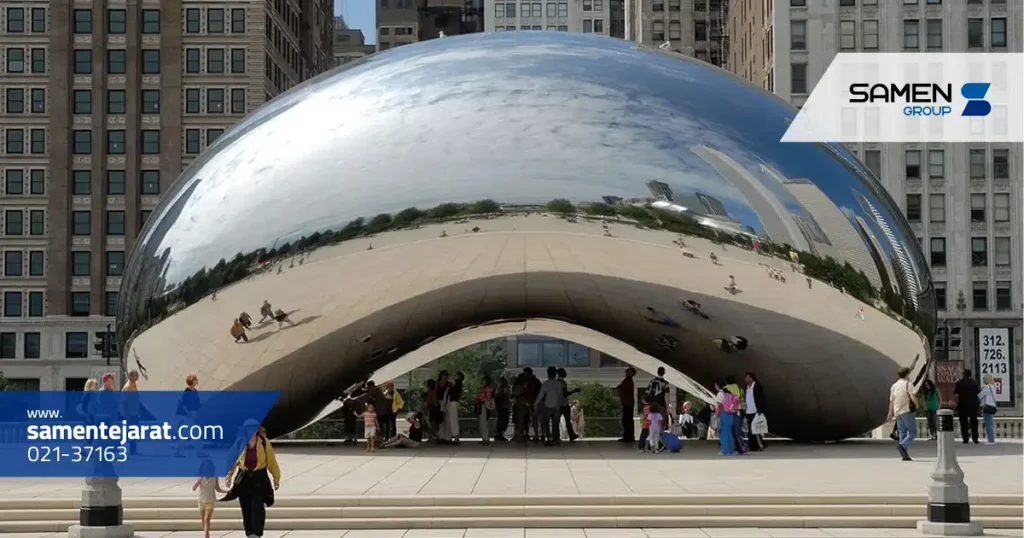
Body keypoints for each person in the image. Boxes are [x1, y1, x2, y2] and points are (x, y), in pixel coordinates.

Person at [225, 422, 281, 538]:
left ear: (257, 430)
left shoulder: (264, 443)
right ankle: (250, 533)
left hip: (259, 477)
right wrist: (229, 476)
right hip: (244, 478)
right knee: (246, 507)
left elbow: (272, 461)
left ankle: (257, 533)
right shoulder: (240, 442)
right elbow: (232, 459)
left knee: (258, 508)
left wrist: (276, 478)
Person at [888, 366, 917, 461]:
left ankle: (905, 455)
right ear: (907, 374)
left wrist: (890, 412)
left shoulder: (894, 386)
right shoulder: (908, 384)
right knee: (912, 432)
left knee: (902, 433)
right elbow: (912, 396)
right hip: (906, 410)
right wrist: (917, 405)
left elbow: (891, 400)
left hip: (897, 411)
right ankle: (902, 445)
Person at [193, 460, 226, 538]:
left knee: (206, 519)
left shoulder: (215, 477)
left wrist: (227, 491)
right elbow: (193, 488)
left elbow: (217, 488)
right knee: (203, 520)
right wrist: (197, 483)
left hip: (210, 500)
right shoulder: (200, 477)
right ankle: (207, 534)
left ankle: (205, 536)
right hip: (201, 500)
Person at [534, 366, 562, 446]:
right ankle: (554, 438)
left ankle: (549, 437)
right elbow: (560, 395)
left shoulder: (546, 384)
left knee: (545, 422)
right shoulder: (559, 384)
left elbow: (540, 395)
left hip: (547, 405)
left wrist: (535, 403)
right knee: (555, 423)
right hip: (556, 406)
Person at [953, 369, 981, 444]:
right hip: (972, 405)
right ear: (970, 375)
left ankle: (965, 438)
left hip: (962, 405)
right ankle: (975, 438)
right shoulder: (974, 383)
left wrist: (957, 404)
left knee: (963, 422)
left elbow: (956, 395)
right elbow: (978, 393)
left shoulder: (959, 383)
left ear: (963, 374)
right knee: (974, 421)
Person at [743, 372, 766, 451]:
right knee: (750, 430)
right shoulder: (747, 387)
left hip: (755, 411)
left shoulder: (757, 387)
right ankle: (752, 446)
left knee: (756, 430)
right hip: (748, 411)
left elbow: (761, 399)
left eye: (747, 377)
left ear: (751, 378)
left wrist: (760, 410)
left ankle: (760, 445)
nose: (746, 379)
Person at [121, 370, 142, 455]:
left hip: (134, 413)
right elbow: (124, 402)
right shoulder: (128, 387)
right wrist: (126, 415)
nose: (138, 377)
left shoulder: (134, 385)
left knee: (134, 432)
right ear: (131, 377)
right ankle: (129, 450)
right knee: (130, 432)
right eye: (136, 375)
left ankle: (133, 449)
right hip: (130, 414)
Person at [556, 368, 580, 441]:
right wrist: (574, 391)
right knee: (567, 420)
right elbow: (565, 393)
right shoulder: (562, 383)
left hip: (558, 404)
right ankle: (571, 435)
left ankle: (557, 436)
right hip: (564, 404)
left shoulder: (556, 382)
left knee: (557, 421)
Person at [715, 381, 738, 456]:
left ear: (717, 386)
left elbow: (719, 406)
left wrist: (717, 415)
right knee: (729, 432)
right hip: (730, 414)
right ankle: (731, 450)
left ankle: (725, 450)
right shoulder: (728, 393)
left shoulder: (720, 394)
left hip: (723, 414)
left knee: (723, 433)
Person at [616, 367, 637, 443]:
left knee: (627, 420)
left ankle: (628, 436)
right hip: (627, 402)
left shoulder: (628, 381)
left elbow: (622, 388)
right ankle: (628, 436)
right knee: (627, 420)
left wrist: (620, 388)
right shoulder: (628, 380)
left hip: (627, 403)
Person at [979, 375, 998, 445]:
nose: (983, 380)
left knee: (988, 424)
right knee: (990, 423)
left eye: (984, 379)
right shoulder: (993, 387)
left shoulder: (987, 387)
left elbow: (980, 396)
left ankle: (991, 440)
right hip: (992, 406)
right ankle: (991, 440)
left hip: (987, 407)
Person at [476, 376, 495, 444]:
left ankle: (486, 438)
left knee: (484, 422)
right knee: (482, 422)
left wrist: (481, 398)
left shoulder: (488, 388)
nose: (482, 381)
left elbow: (488, 397)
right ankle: (484, 438)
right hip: (482, 405)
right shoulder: (483, 388)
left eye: (483, 380)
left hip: (485, 405)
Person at [494, 376, 511, 441]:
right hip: (503, 406)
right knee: (502, 420)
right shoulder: (502, 388)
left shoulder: (501, 388)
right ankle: (499, 434)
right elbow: (506, 396)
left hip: (503, 406)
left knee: (503, 420)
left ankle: (500, 434)